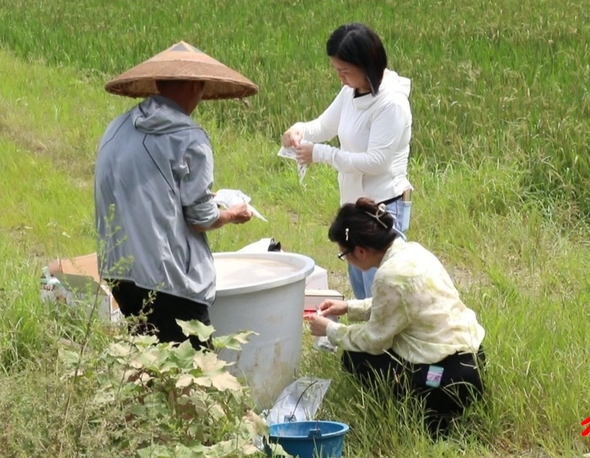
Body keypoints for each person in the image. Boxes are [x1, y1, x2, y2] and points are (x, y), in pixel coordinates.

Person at [95, 41, 258, 346]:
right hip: (166, 277)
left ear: (157, 84)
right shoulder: (188, 137)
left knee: (149, 363)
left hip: (119, 270)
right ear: (198, 85)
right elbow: (200, 218)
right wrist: (235, 214)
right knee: (192, 373)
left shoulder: (116, 127)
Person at [307, 198, 486, 437]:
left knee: (357, 359)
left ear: (360, 251)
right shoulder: (413, 251)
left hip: (443, 379)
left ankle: (424, 415)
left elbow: (374, 340)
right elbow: (398, 305)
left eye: (343, 255)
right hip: (472, 362)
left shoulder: (389, 276)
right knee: (366, 350)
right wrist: (348, 307)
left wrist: (329, 329)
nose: (345, 259)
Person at [281, 23, 413, 300]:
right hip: (354, 206)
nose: (340, 78)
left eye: (345, 71)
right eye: (337, 71)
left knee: (381, 294)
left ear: (367, 64)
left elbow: (377, 161)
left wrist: (321, 154)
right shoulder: (351, 92)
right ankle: (364, 342)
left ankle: (382, 344)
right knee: (362, 291)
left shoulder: (392, 103)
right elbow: (324, 126)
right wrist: (299, 130)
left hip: (383, 209)